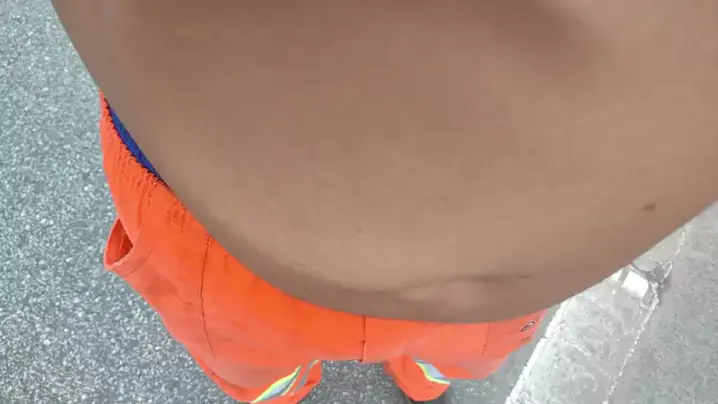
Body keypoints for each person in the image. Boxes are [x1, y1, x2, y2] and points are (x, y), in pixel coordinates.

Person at [52, 1, 718, 403]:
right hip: (512, 245)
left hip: (205, 201)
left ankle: (284, 392)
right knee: (458, 350)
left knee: (243, 352)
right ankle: (421, 382)